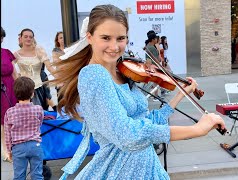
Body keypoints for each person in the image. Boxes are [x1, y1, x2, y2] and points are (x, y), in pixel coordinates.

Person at [51, 4, 226, 179]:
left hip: (147, 166)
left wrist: (180, 94)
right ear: (89, 37)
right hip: (120, 170)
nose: (114, 46)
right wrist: (196, 129)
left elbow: (146, 121)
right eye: (106, 38)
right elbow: (129, 135)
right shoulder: (94, 75)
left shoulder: (122, 72)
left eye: (120, 38)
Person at [4, 76, 44, 179]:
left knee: (19, 176)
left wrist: (9, 151)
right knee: (37, 175)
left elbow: (7, 134)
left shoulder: (9, 112)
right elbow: (40, 123)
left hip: (18, 147)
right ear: (32, 93)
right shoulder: (38, 109)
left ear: (15, 93)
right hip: (35, 145)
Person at [13, 28, 57, 111]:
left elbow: (49, 67)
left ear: (33, 38)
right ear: (21, 38)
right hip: (23, 89)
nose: (28, 39)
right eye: (26, 37)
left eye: (30, 37)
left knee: (39, 113)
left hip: (38, 87)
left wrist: (61, 78)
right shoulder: (16, 54)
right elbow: (10, 69)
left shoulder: (40, 51)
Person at [1, 27, 18, 162]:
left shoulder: (7, 52)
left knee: (12, 119)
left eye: (1, 36)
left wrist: (20, 87)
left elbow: (14, 72)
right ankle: (6, 152)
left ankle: (14, 148)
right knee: (2, 122)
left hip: (10, 88)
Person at [52, 31, 65, 96]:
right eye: (60, 38)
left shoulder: (71, 49)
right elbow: (57, 62)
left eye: (64, 37)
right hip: (60, 78)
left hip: (71, 77)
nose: (62, 39)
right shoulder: (55, 50)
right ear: (57, 40)